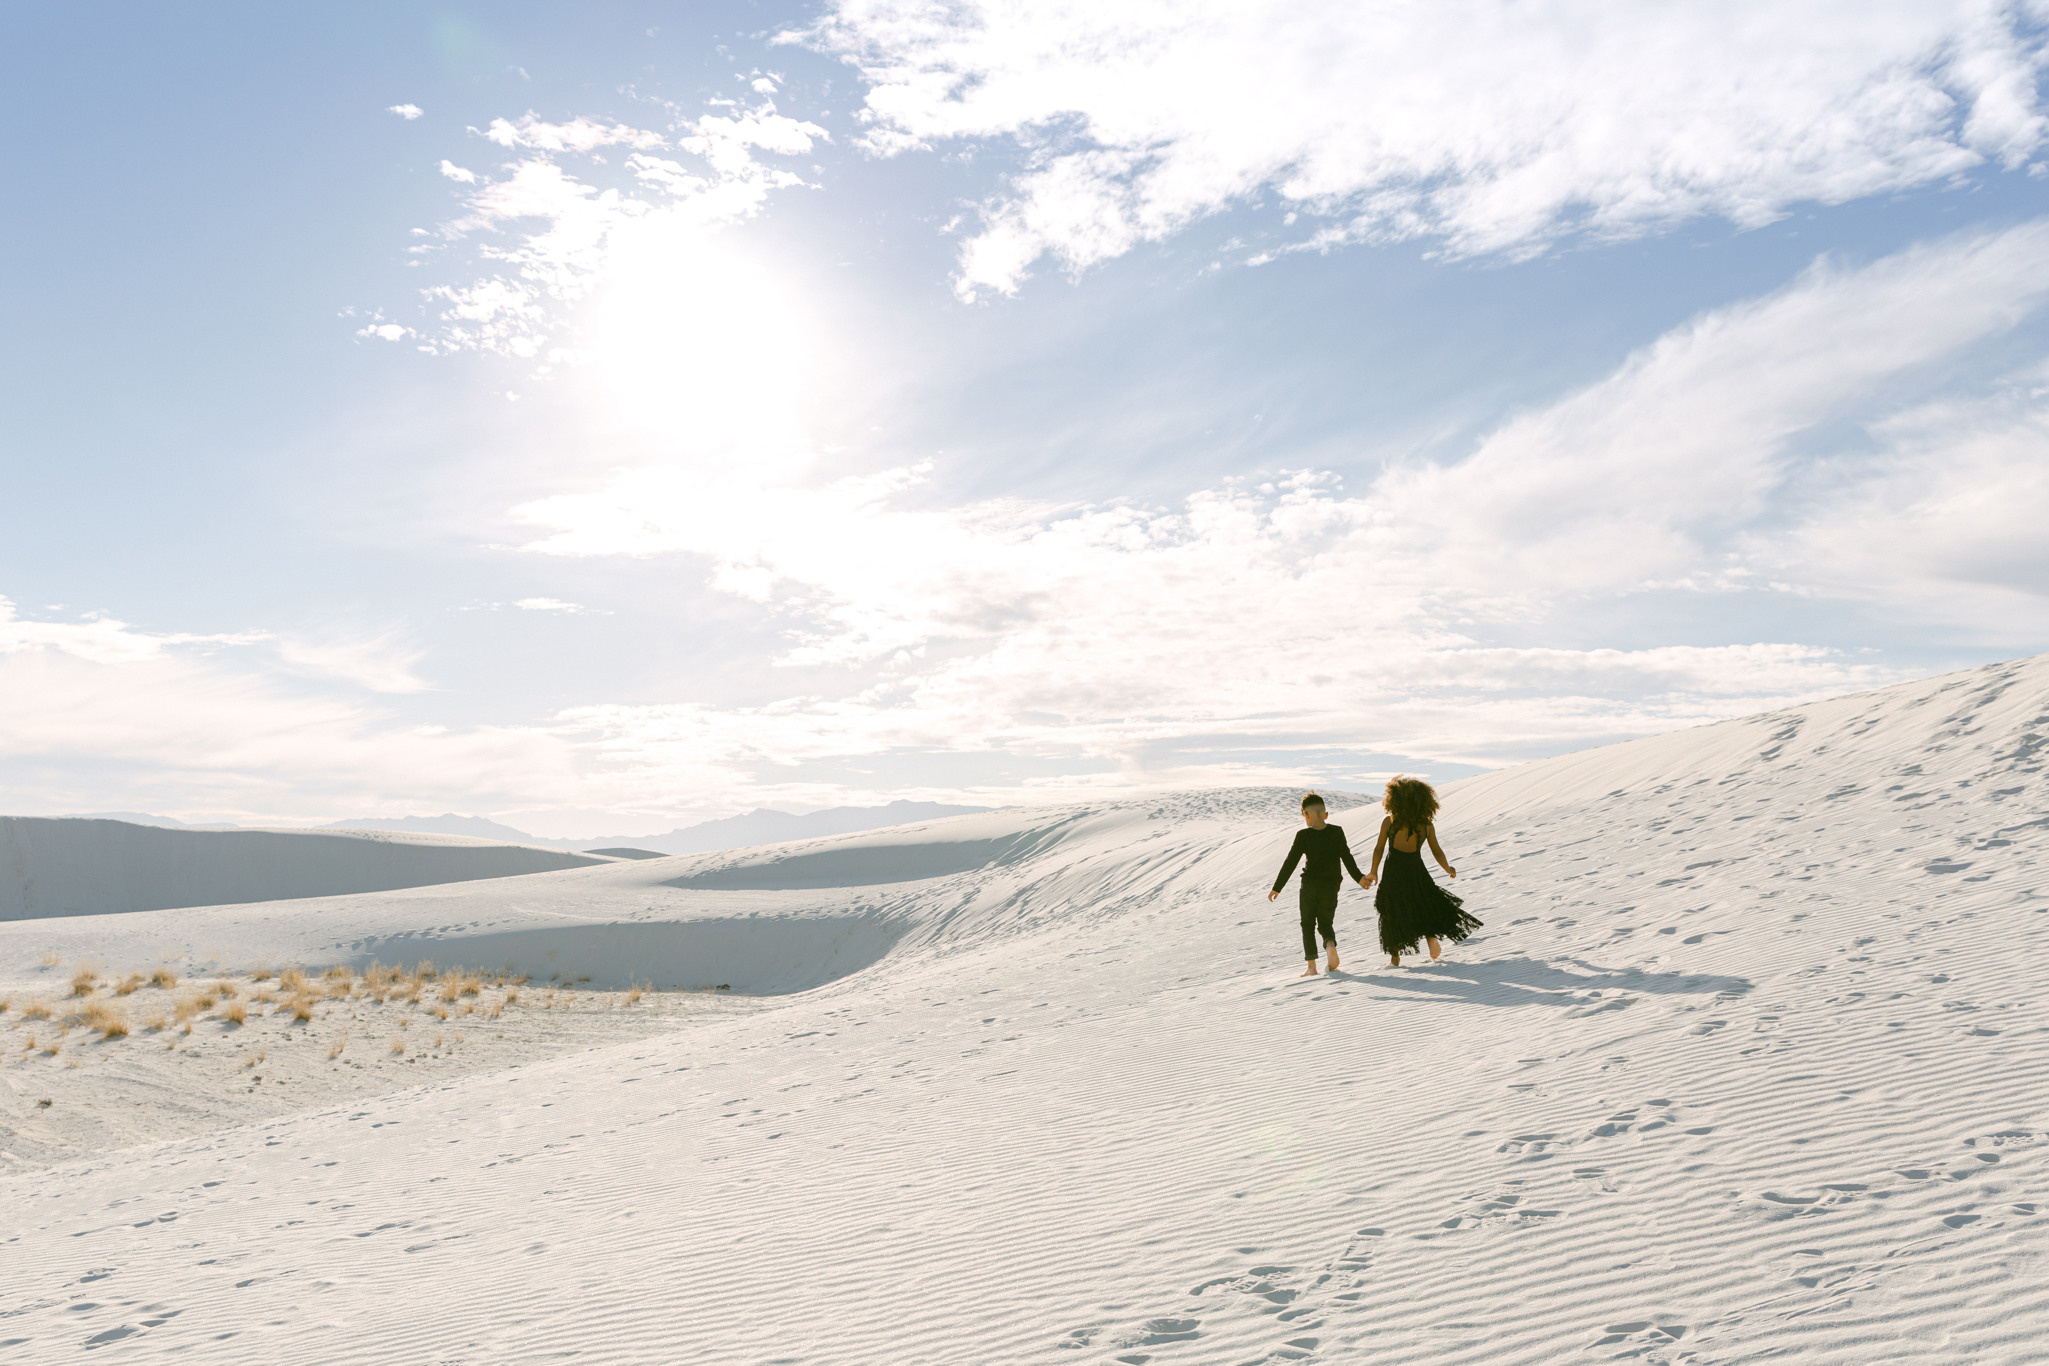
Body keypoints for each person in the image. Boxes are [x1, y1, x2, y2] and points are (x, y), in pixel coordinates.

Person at [1362, 775, 1482, 966]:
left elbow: (1379, 848)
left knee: (1392, 910)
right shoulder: (1426, 825)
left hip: (1393, 871)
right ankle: (1431, 938)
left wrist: (1373, 871)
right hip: (1416, 871)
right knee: (1423, 905)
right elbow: (1437, 851)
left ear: (1394, 799)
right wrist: (1448, 868)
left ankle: (1395, 957)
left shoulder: (1389, 822)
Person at [1268, 792, 1367, 977]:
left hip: (1309, 885)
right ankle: (1330, 945)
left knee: (1307, 924)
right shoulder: (1337, 832)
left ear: (1306, 815)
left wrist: (1277, 887)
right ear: (1325, 814)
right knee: (1325, 923)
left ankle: (1312, 967)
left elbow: (1290, 862)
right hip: (1331, 886)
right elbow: (1347, 857)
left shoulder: (1303, 835)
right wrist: (1360, 878)